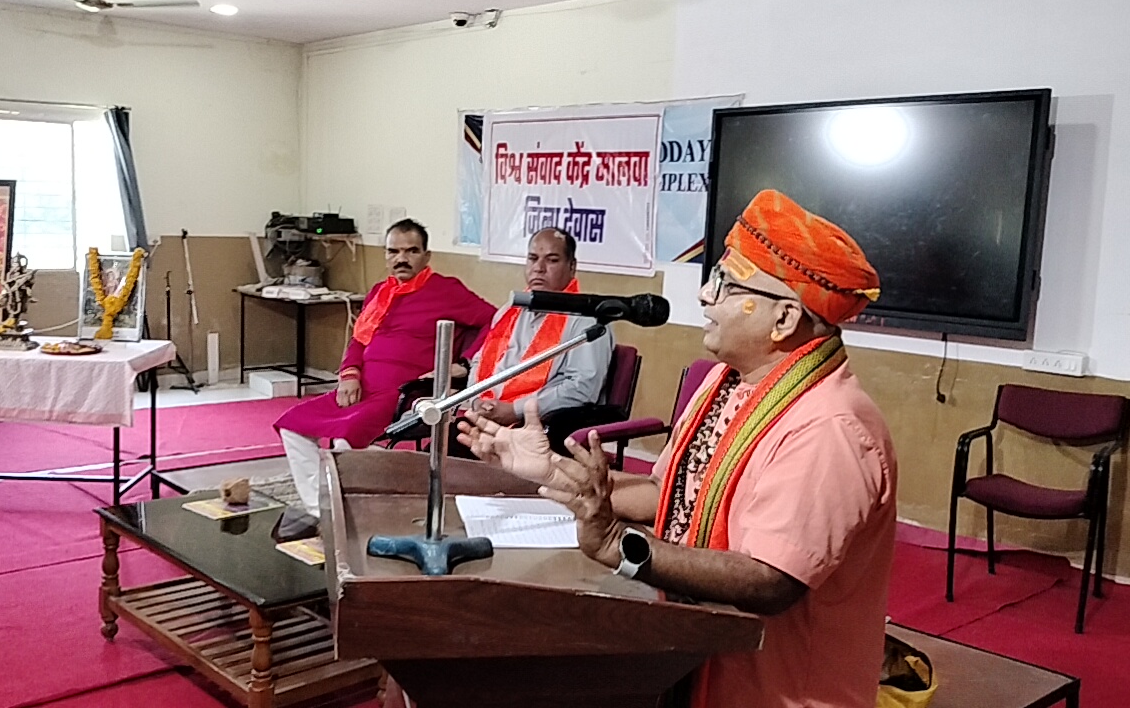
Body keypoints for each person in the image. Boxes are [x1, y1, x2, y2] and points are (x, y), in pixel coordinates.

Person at [458, 189, 896, 708]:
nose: (706, 297)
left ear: (783, 320)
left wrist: (619, 544)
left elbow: (770, 580)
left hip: (776, 690)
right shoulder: (726, 382)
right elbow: (665, 491)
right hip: (695, 659)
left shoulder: (831, 428)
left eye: (727, 285)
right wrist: (551, 470)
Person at [274, 219, 495, 520]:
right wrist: (349, 373)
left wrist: (465, 363)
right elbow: (359, 339)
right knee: (292, 425)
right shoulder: (380, 291)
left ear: (426, 255)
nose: (402, 258)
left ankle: (356, 510)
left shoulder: (447, 290)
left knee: (346, 437)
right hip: (361, 387)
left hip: (404, 392)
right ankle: (322, 510)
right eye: (394, 251)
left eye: (411, 251)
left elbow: (495, 320)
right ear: (386, 255)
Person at [455, 228, 614, 451]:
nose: (539, 268)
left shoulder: (588, 321)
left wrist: (515, 410)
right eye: (532, 258)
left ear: (572, 267)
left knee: (456, 461)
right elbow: (480, 362)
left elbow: (582, 389)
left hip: (537, 429)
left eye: (552, 260)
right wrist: (476, 400)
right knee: (436, 453)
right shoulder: (509, 311)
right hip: (486, 418)